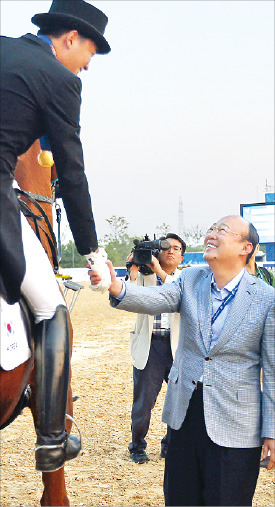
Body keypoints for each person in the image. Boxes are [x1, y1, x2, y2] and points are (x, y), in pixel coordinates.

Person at [90, 215, 275, 506]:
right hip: (185, 412)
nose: (212, 233)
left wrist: (272, 431)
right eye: (211, 228)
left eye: (222, 230)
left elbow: (273, 373)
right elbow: (155, 298)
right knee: (180, 498)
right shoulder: (191, 280)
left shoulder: (266, 299)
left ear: (245, 248)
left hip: (237, 423)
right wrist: (116, 287)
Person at [0, 0, 111, 472]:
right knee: (51, 307)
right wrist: (93, 250)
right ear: (69, 38)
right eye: (90, 52)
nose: (88, 64)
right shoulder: (62, 81)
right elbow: (72, 170)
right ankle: (51, 437)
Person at [126, 233, 186, 464]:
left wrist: (159, 272)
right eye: (166, 247)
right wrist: (133, 268)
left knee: (179, 401)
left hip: (178, 347)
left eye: (177, 248)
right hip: (150, 346)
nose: (171, 251)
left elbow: (181, 298)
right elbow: (127, 293)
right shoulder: (144, 277)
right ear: (157, 253)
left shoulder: (186, 279)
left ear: (181, 256)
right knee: (143, 403)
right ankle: (137, 446)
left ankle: (170, 445)